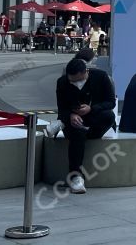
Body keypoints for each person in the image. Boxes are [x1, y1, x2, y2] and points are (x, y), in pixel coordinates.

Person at [48, 57, 116, 194]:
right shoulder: (62, 82)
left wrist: (92, 109)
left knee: (108, 116)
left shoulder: (101, 77)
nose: (76, 83)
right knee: (77, 135)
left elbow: (110, 102)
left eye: (79, 80)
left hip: (94, 119)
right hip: (74, 122)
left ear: (86, 72)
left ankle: (61, 124)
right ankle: (76, 177)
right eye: (72, 81)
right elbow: (62, 108)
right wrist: (71, 116)